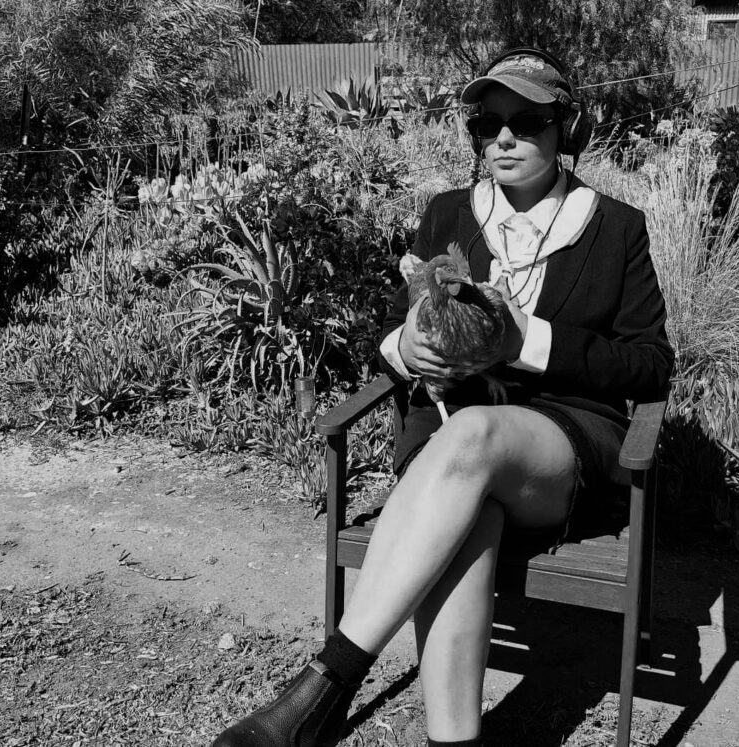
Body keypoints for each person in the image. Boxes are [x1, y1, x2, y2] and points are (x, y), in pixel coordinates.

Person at [210, 48, 674, 747]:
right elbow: (398, 328)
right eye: (488, 122)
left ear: (566, 129)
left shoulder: (614, 227)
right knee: (469, 504)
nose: (505, 138)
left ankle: (326, 684)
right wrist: (407, 348)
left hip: (560, 443)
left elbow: (651, 366)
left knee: (475, 438)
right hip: (450, 446)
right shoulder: (449, 213)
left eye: (528, 120)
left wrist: (530, 341)